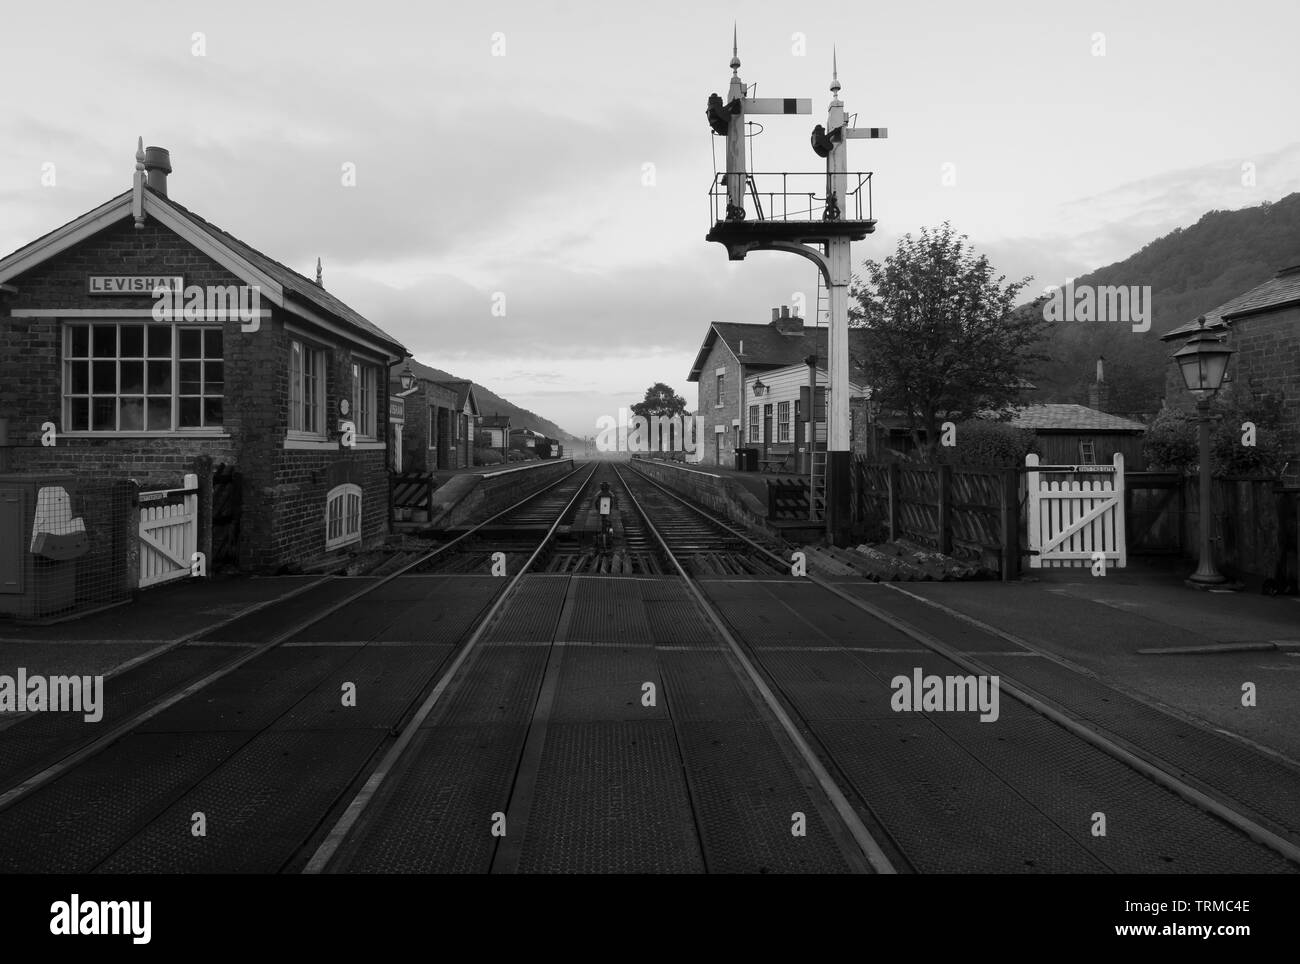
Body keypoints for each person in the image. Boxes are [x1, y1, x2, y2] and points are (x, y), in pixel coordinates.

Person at [593, 481, 616, 552]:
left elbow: (596, 503)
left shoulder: (599, 494)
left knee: (604, 522)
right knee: (607, 522)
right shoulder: (610, 495)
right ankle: (607, 536)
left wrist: (598, 508)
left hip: (602, 511)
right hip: (606, 511)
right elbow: (612, 503)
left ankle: (603, 537)